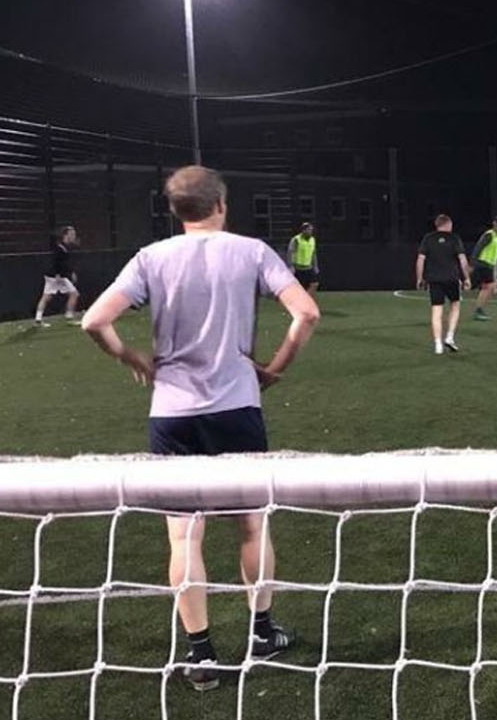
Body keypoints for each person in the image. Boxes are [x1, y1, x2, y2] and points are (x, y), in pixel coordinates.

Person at [80, 166, 320, 692]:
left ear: (175, 211)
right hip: (236, 408)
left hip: (172, 414)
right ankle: (262, 632)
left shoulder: (151, 257)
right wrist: (275, 368)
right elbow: (306, 313)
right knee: (252, 525)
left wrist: (131, 358)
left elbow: (94, 320)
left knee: (184, 535)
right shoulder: (252, 251)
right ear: (221, 204)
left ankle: (202, 654)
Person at [416, 214, 470, 354]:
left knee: (436, 310)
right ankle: (450, 337)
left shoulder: (428, 238)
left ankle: (438, 345)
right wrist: (467, 278)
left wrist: (419, 278)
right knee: (455, 305)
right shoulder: (454, 238)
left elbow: (420, 259)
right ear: (448, 224)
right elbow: (462, 259)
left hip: (434, 279)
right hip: (452, 278)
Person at [35, 225, 82, 324]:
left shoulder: (64, 247)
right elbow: (56, 262)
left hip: (54, 276)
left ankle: (38, 318)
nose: (74, 236)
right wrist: (58, 274)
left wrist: (70, 272)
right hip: (57, 276)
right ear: (66, 235)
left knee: (46, 296)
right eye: (72, 234)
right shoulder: (60, 248)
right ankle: (69, 317)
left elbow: (64, 263)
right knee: (74, 294)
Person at [471, 215, 497, 320]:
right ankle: (478, 310)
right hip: (483, 264)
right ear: (496, 224)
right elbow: (478, 248)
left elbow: (495, 251)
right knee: (489, 287)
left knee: (487, 287)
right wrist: (472, 263)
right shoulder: (489, 235)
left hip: (489, 265)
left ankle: (479, 310)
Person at [287, 222, 320, 294]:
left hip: (308, 267)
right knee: (298, 287)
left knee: (315, 284)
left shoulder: (312, 239)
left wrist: (315, 266)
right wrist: (291, 266)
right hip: (298, 268)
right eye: (309, 230)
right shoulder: (296, 239)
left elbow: (313, 253)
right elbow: (290, 252)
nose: (310, 232)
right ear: (303, 230)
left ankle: (306, 297)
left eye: (311, 230)